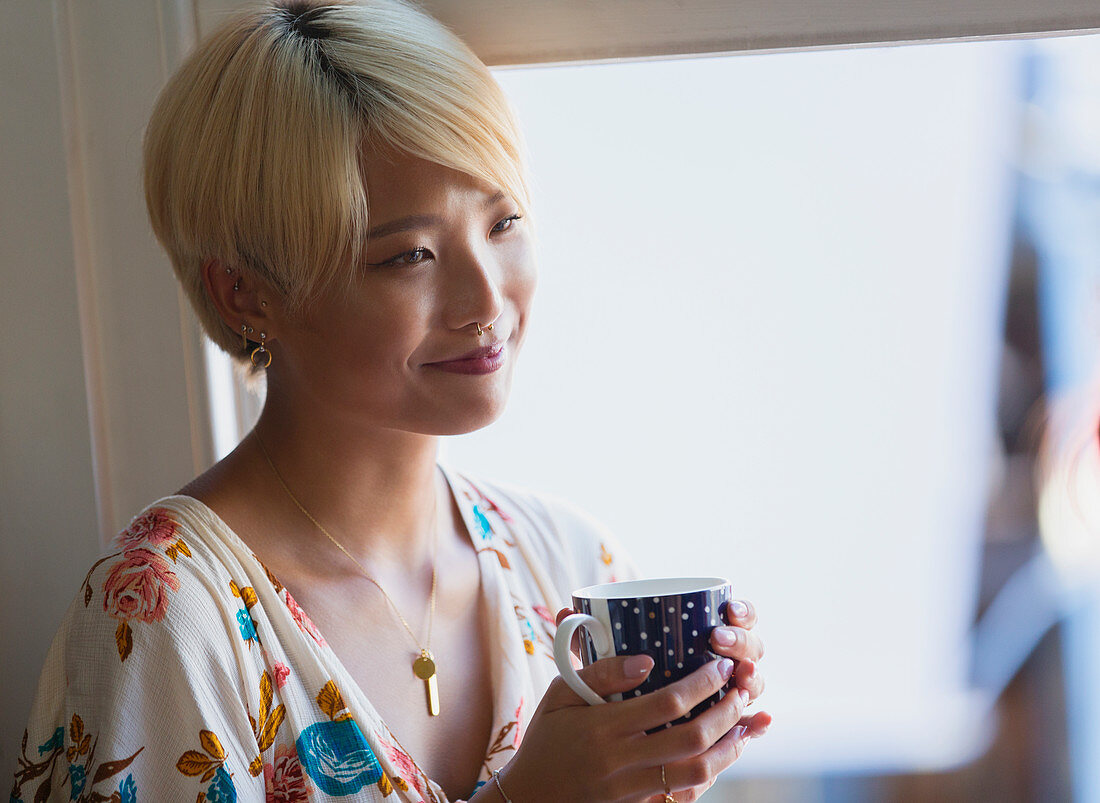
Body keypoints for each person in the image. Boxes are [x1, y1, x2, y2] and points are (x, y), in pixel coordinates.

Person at [9, 1, 769, 801]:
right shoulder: (164, 616)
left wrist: (681, 747)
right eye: (410, 254)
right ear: (245, 292)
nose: (485, 299)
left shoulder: (571, 565)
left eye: (504, 220)